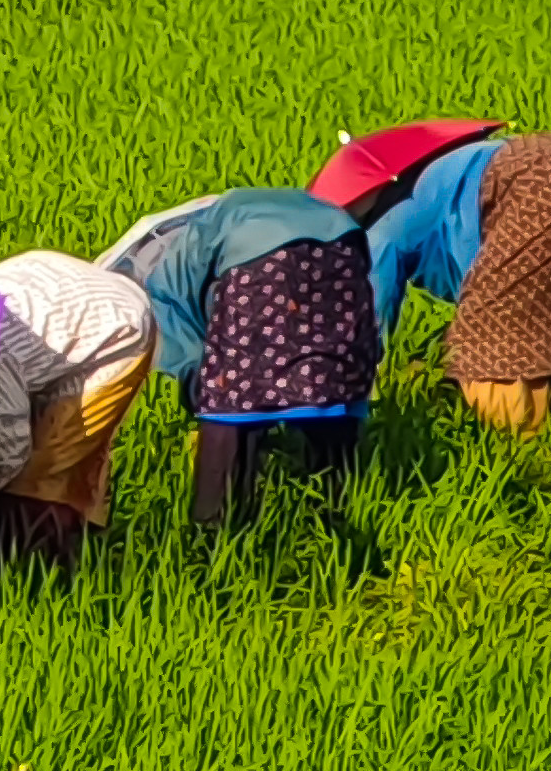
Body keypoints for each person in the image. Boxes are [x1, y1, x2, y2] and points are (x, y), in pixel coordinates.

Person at [102, 188, 379, 524]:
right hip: (344, 248)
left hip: (260, 267)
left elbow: (181, 329)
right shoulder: (256, 207)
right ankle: (334, 511)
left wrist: (200, 388)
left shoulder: (179, 258)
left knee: (233, 401)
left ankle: (218, 529)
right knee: (328, 381)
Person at [344, 134, 551, 433]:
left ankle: (527, 465)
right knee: (549, 332)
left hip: (539, 184)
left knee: (488, 353)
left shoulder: (376, 232)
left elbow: (363, 330)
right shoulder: (429, 173)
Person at [0, 251, 157, 570]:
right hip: (45, 298)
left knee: (43, 472)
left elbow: (8, 455)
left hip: (115, 328)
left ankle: (32, 568)